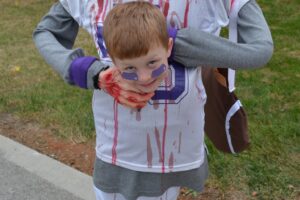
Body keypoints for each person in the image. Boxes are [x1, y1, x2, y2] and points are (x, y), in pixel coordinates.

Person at [33, 0, 273, 108]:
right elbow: (45, 32)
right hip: (115, 154)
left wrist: (173, 43)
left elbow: (259, 51)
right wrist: (86, 71)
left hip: (184, 151)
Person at [92, 2, 209, 199]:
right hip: (115, 165)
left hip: (168, 167)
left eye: (152, 63)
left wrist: (177, 39)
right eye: (129, 69)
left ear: (169, 47)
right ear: (112, 59)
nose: (145, 77)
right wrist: (90, 73)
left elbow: (257, 52)